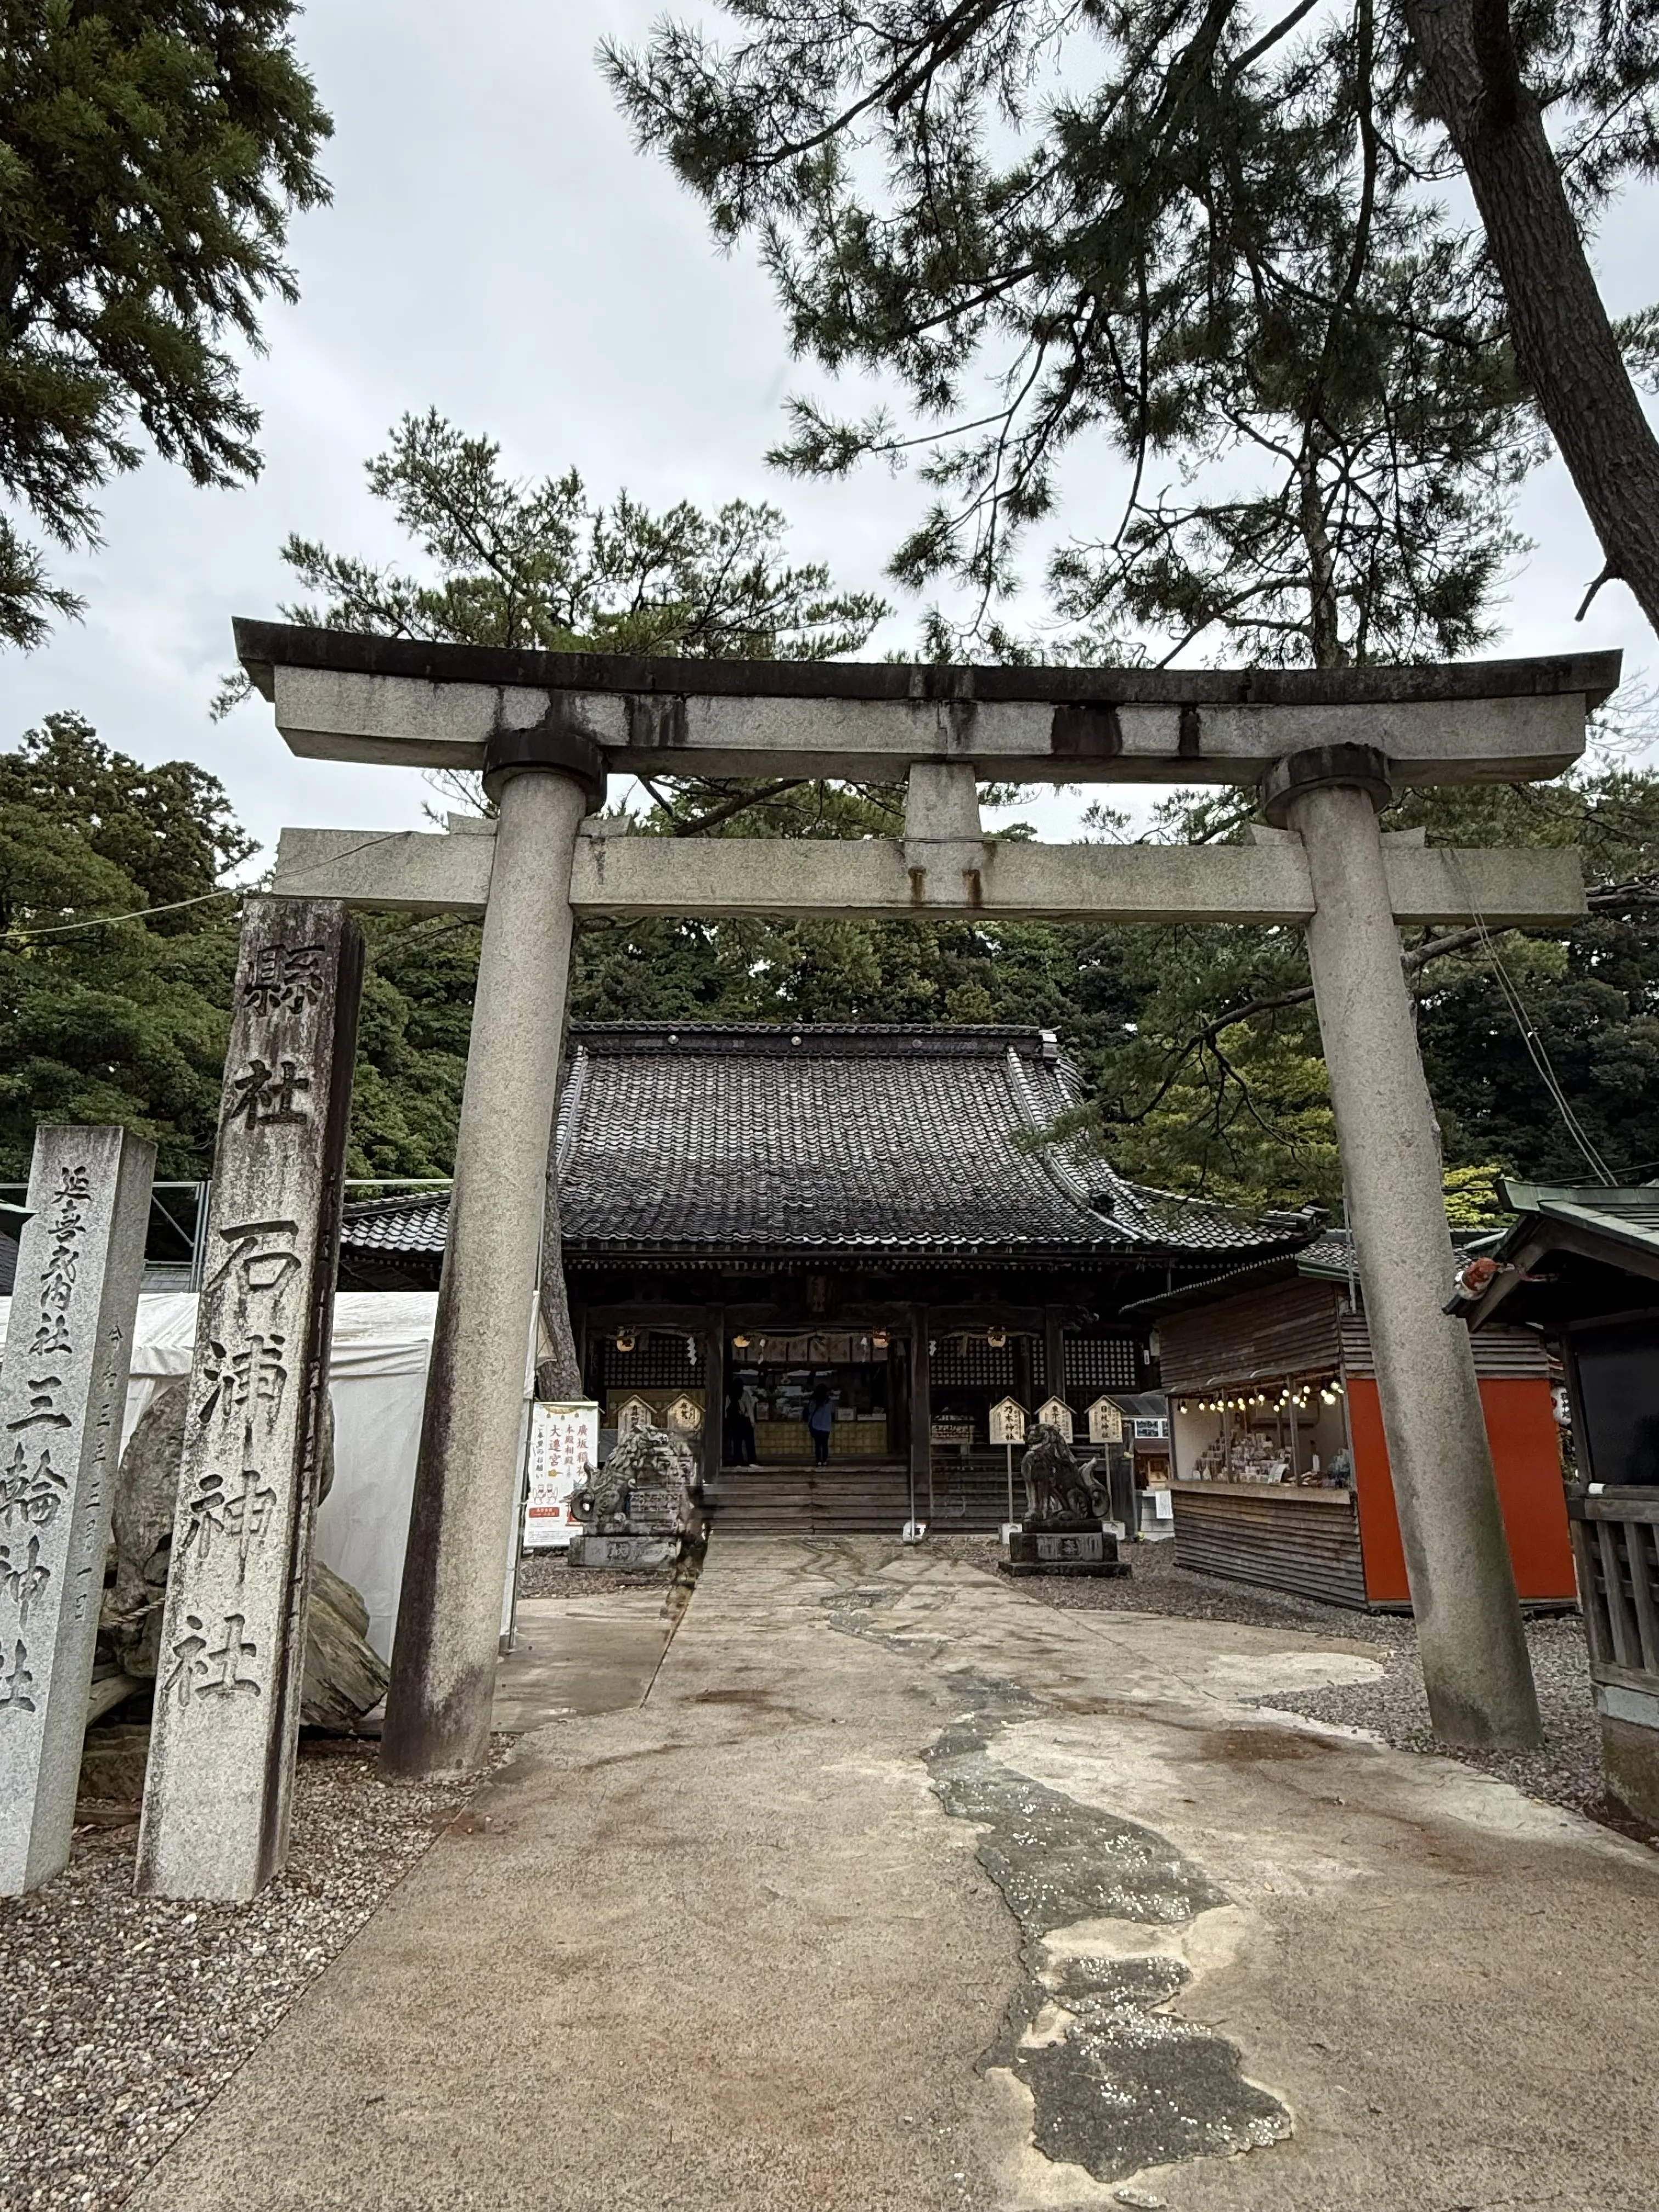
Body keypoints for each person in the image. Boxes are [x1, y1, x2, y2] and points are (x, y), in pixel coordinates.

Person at [805, 1383, 836, 1466]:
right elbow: (833, 1412)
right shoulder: (830, 1403)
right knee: (825, 1444)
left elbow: (810, 1412)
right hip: (826, 1426)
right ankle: (825, 1461)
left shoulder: (813, 1402)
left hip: (816, 1426)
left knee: (818, 1444)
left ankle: (819, 1461)